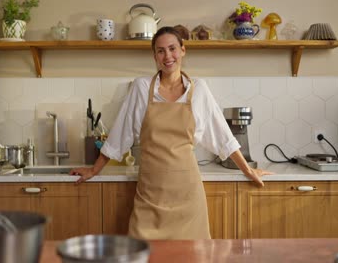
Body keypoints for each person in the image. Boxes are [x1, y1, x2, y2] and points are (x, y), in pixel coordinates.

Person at [70, 26, 273, 240]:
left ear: (183, 51)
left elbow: (223, 136)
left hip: (188, 195)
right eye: (160, 51)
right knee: (144, 254)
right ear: (154, 56)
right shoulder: (141, 87)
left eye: (172, 48)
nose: (167, 56)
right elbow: (121, 134)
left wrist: (248, 170)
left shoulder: (199, 90)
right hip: (150, 195)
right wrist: (94, 169)